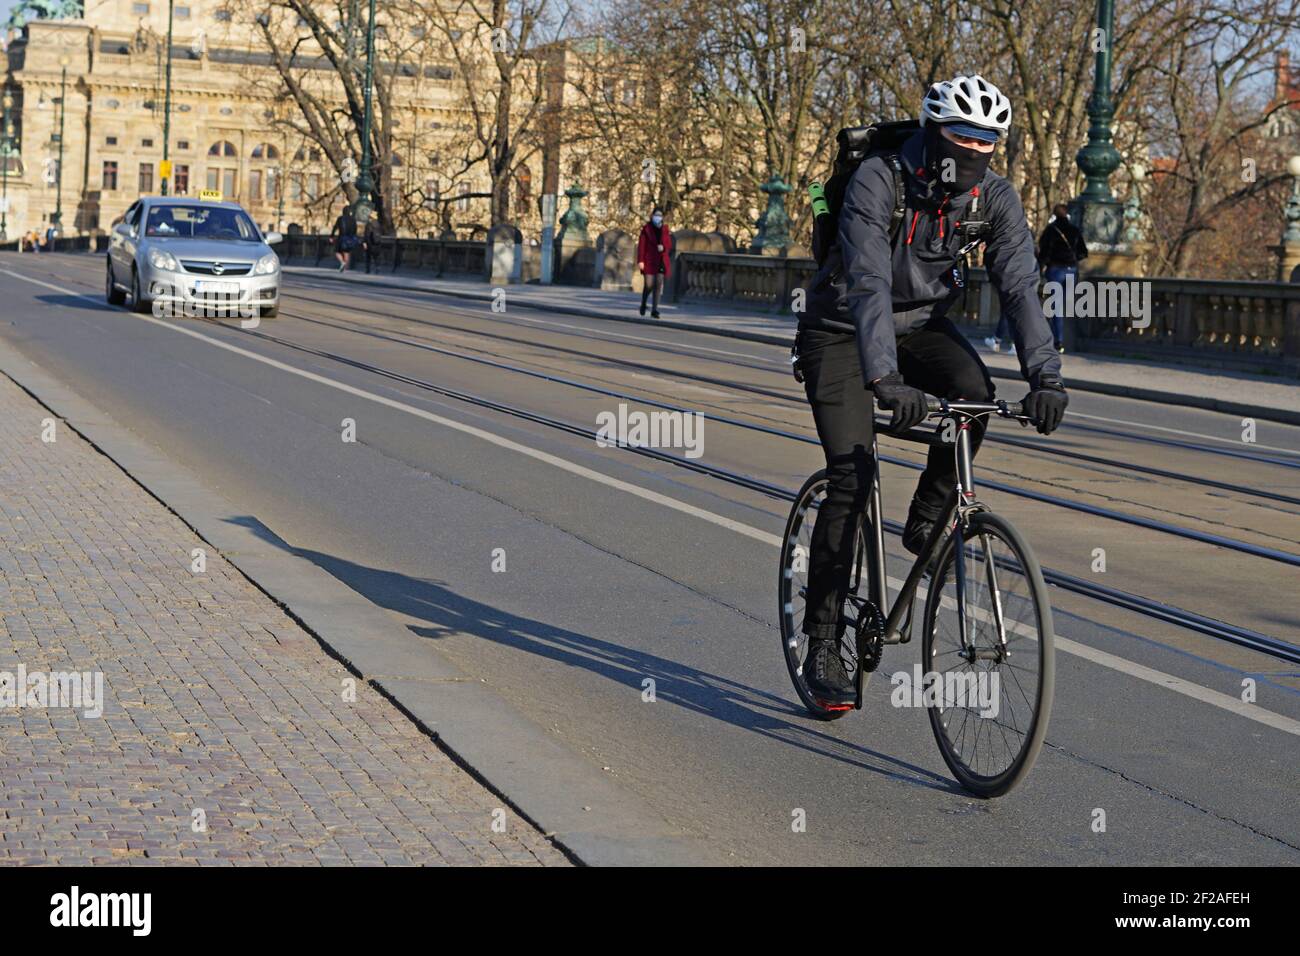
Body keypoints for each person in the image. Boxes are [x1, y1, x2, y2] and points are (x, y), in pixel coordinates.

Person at [796, 74, 1068, 706]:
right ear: (932, 132)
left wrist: (1045, 375)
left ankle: (926, 520)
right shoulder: (879, 180)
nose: (975, 150)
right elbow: (864, 280)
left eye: (989, 139)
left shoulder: (995, 199)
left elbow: (1022, 286)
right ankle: (823, 638)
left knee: (973, 395)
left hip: (920, 326)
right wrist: (883, 378)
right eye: (962, 136)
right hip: (840, 329)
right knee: (851, 477)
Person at [1035, 202, 1088, 353]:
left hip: (1056, 270)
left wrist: (1042, 267)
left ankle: (1057, 341)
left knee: (1056, 305)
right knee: (1065, 305)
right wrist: (1073, 259)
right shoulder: (1075, 230)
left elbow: (1044, 252)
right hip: (1071, 270)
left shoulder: (1051, 231)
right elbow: (1083, 252)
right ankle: (1062, 338)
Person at [636, 207, 672, 318]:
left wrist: (664, 248)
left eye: (660, 215)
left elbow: (669, 245)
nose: (658, 217)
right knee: (649, 284)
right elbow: (641, 246)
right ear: (652, 216)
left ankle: (654, 309)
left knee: (658, 285)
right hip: (649, 260)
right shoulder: (646, 229)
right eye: (656, 215)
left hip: (661, 260)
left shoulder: (665, 229)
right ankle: (643, 303)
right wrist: (640, 260)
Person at [330, 206, 359, 272]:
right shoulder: (353, 219)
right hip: (350, 237)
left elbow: (335, 227)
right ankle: (346, 268)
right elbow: (355, 229)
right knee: (347, 252)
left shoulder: (340, 218)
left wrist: (332, 236)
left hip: (342, 237)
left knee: (337, 251)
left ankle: (342, 262)